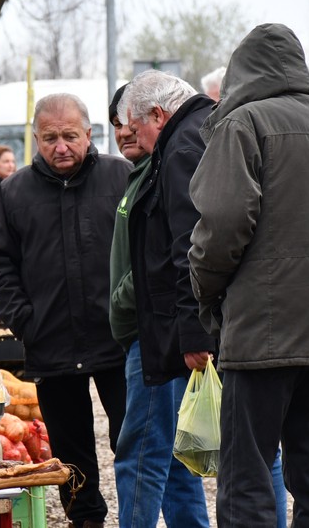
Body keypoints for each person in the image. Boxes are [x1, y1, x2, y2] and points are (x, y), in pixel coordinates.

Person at [187, 23, 309, 527]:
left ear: (241, 72)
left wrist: (207, 293)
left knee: (246, 476)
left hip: (259, 334)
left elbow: (222, 226)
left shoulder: (243, 124)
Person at [0, 93, 130, 528]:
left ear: (89, 134)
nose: (60, 146)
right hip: (50, 338)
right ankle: (85, 519)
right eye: (50, 138)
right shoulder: (15, 191)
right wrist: (24, 320)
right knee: (69, 447)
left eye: (70, 136)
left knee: (133, 438)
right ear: (36, 139)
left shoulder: (121, 176)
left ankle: (138, 515)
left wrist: (135, 314)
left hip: (118, 337)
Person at [107, 82, 221, 528]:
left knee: (140, 452)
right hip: (161, 326)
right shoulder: (148, 166)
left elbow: (181, 250)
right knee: (175, 456)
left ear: (156, 115)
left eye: (132, 126)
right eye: (118, 126)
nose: (126, 134)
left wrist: (124, 300)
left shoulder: (174, 155)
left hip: (158, 329)